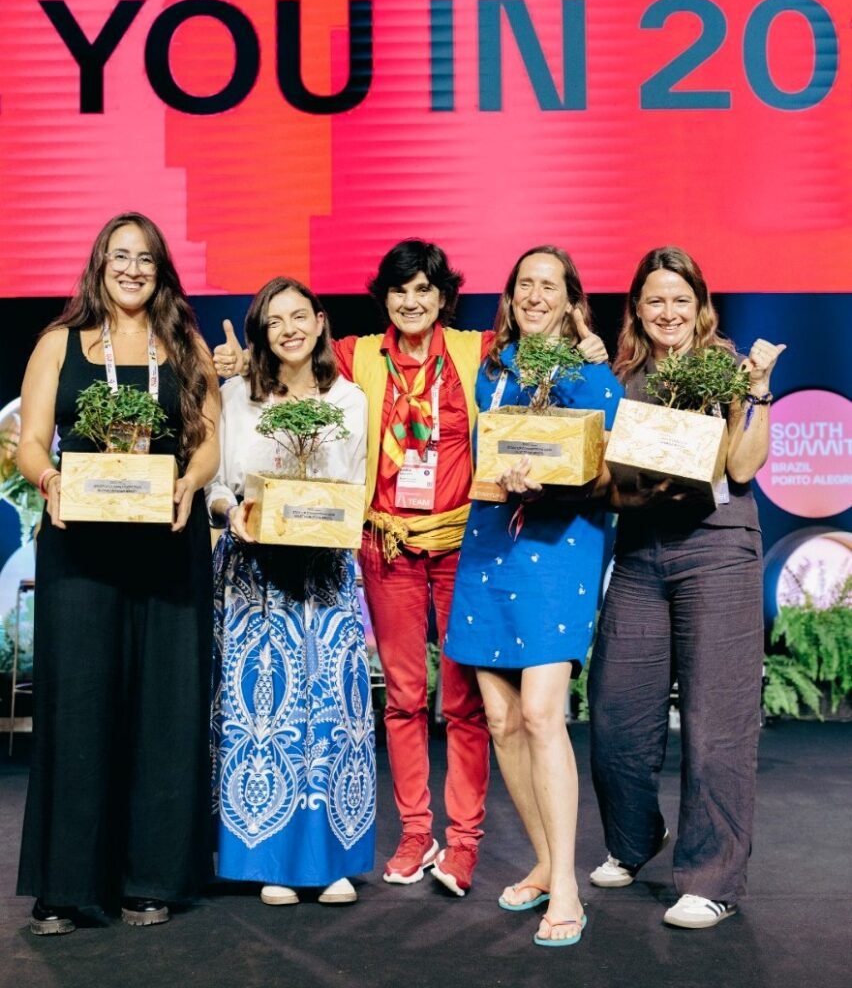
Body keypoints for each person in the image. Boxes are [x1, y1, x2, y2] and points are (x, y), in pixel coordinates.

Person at [213, 240, 608, 897]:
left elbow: (541, 344)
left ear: (443, 297)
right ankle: (415, 833)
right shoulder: (358, 355)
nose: (412, 301)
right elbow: (292, 356)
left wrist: (586, 347)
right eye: (400, 291)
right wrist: (233, 362)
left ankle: (464, 843)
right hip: (386, 546)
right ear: (385, 299)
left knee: (465, 702)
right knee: (402, 697)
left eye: (425, 289)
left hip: (462, 547)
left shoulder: (478, 350)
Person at [16, 212, 220, 934]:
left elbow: (209, 440)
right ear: (99, 266)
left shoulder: (185, 344)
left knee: (165, 708)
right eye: (120, 257)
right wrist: (48, 480)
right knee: (79, 705)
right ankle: (67, 886)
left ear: (161, 271)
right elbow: (31, 441)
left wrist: (191, 482)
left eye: (145, 259)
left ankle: (151, 878)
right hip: (81, 546)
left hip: (167, 541)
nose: (132, 270)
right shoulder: (58, 343)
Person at [587, 246, 785, 929]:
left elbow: (744, 466)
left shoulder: (727, 368)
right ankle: (637, 837)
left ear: (700, 307)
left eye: (680, 299)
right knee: (615, 715)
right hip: (641, 553)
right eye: (655, 300)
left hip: (717, 549)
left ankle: (711, 880)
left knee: (716, 725)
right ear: (637, 310)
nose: (668, 311)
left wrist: (757, 389)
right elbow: (605, 479)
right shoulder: (621, 379)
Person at [443, 246, 623, 945]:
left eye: (550, 286)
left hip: (561, 545)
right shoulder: (495, 367)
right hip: (491, 539)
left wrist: (555, 479)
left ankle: (567, 888)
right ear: (510, 294)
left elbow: (606, 470)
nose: (535, 295)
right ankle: (545, 862)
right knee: (502, 719)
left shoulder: (593, 371)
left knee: (544, 713)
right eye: (525, 283)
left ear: (572, 301)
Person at [206, 276, 375, 906]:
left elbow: (354, 485)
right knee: (260, 714)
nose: (289, 330)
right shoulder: (235, 396)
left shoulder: (349, 400)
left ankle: (329, 861)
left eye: (299, 316)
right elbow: (215, 485)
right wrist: (232, 513)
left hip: (325, 574)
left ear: (320, 320)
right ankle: (267, 859)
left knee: (330, 714)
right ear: (261, 333)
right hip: (252, 575)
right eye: (274, 321)